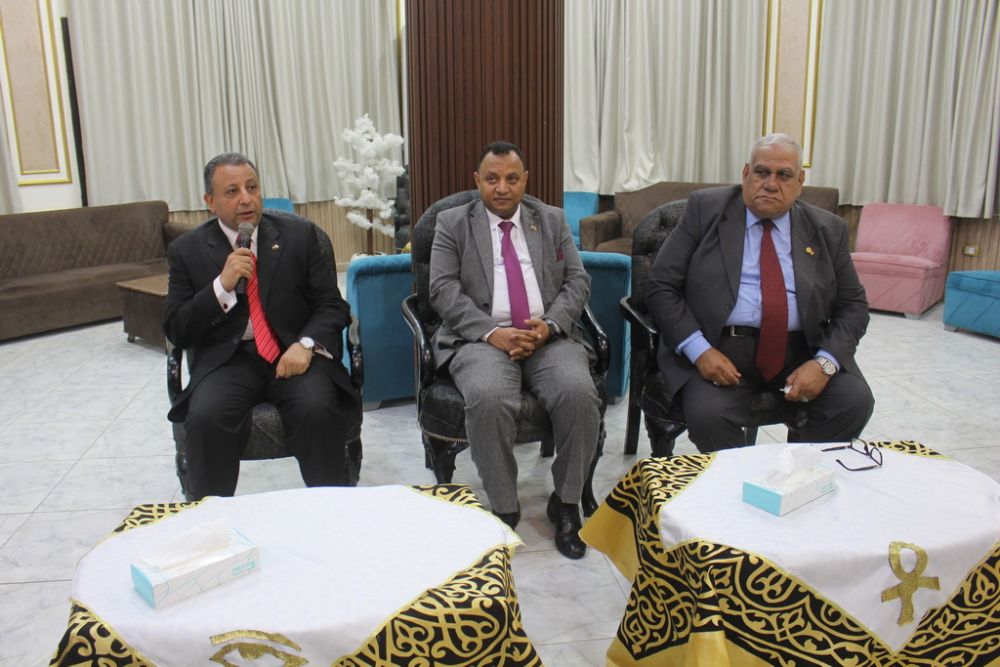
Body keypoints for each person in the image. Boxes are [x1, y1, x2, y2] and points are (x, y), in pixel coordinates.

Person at [646, 133, 874, 451]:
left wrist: (824, 364)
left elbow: (853, 306)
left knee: (853, 401)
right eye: (762, 172)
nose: (770, 184)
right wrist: (700, 351)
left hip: (800, 351)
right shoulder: (705, 210)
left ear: (800, 182)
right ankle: (739, 479)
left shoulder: (827, 230)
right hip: (720, 346)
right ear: (746, 174)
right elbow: (661, 285)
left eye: (784, 175)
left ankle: (799, 470)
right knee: (708, 415)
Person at [429, 141, 601, 559]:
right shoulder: (452, 223)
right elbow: (442, 289)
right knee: (487, 397)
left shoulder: (552, 219)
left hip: (547, 335)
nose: (502, 187)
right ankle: (504, 507)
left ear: (525, 180)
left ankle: (566, 503)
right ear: (477, 181)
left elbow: (577, 280)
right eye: (492, 179)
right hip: (480, 339)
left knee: (579, 394)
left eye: (511, 178)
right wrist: (492, 332)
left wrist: (551, 325)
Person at [164, 152, 359, 499]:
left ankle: (331, 509)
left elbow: (331, 305)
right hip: (228, 361)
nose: (246, 199)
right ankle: (212, 519)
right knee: (206, 417)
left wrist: (307, 344)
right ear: (210, 201)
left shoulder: (301, 236)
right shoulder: (186, 250)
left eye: (252, 187)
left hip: (293, 354)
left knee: (317, 408)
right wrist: (221, 286)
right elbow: (177, 329)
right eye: (232, 191)